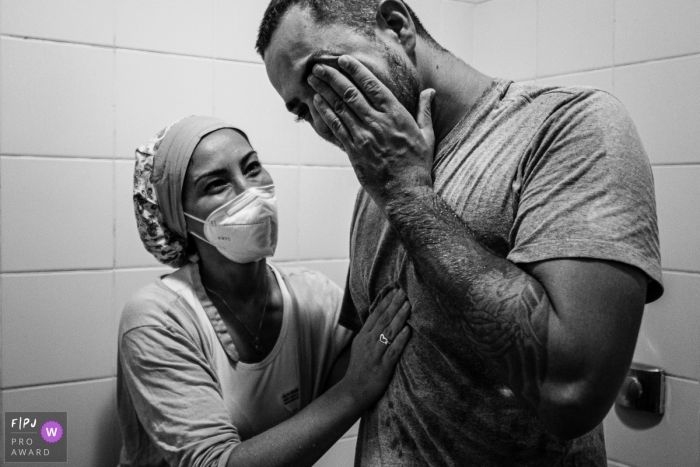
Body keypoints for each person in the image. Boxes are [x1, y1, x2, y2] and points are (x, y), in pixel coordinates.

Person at [256, 1, 664, 465]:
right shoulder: (378, 181)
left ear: (395, 26)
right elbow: (376, 360)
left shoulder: (568, 127)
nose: (326, 117)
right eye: (302, 110)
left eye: (323, 78)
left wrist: (410, 196)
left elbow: (571, 392)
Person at [117, 115, 412, 467]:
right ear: (179, 219)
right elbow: (215, 463)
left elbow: (376, 359)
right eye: (216, 185)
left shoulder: (313, 299)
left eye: (252, 167)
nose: (248, 191)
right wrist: (354, 392)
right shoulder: (156, 320)